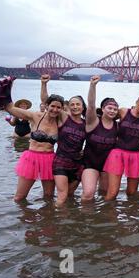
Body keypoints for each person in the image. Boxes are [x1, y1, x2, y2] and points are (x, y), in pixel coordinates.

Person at [0, 76, 64, 202]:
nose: (55, 109)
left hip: (49, 160)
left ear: (61, 109)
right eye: (52, 106)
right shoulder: (35, 116)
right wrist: (8, 87)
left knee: (48, 197)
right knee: (19, 197)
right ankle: (23, 219)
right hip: (31, 158)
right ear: (47, 105)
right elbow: (10, 108)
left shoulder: (60, 122)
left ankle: (46, 220)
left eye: (58, 107)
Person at [40, 74, 87, 207]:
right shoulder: (64, 117)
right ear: (68, 107)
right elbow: (46, 101)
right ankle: (56, 223)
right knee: (62, 195)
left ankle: (68, 221)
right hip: (61, 160)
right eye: (72, 104)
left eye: (78, 104)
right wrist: (44, 84)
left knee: (70, 195)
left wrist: (85, 151)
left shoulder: (86, 124)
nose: (75, 106)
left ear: (83, 107)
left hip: (78, 163)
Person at [81, 76, 119, 202]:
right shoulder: (93, 121)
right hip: (90, 163)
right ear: (102, 109)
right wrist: (93, 85)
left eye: (115, 109)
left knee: (104, 194)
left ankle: (101, 219)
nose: (112, 111)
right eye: (109, 108)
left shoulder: (118, 126)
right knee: (88, 194)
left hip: (107, 166)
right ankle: (85, 219)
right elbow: (91, 105)